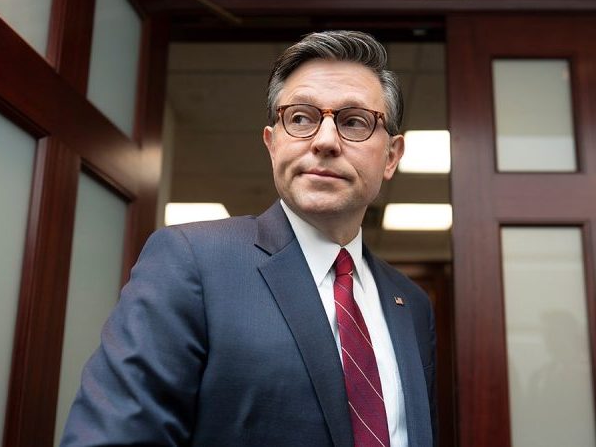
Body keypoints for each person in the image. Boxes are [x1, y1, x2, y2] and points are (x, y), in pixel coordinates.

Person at [61, 30, 436, 447]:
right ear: (273, 144)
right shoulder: (191, 262)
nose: (325, 141)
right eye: (301, 118)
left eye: (354, 122)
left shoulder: (411, 304)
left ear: (391, 156)